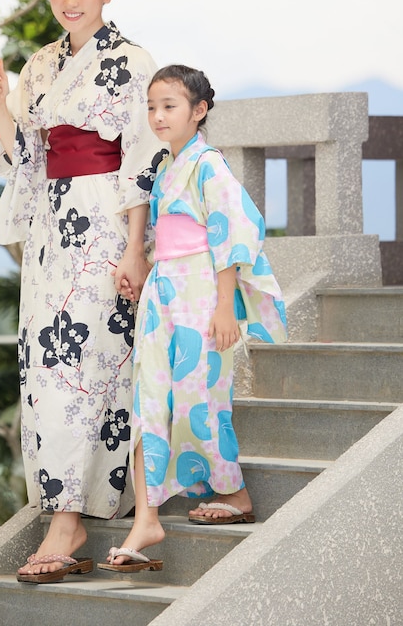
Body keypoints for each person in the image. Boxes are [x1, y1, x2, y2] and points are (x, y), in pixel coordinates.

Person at [0, 0, 164, 585]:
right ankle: (64, 508)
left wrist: (136, 246)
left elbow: (144, 155)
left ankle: (73, 517)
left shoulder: (133, 62)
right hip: (51, 232)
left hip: (107, 226)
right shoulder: (36, 66)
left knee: (91, 364)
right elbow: (16, 160)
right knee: (46, 365)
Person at [99, 64, 288, 573]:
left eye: (170, 106)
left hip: (202, 295)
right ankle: (147, 519)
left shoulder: (209, 166)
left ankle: (235, 492)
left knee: (201, 399)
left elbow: (231, 233)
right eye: (152, 107)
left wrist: (226, 305)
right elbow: (166, 237)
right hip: (164, 294)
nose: (158, 116)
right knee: (148, 401)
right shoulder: (167, 168)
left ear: (199, 110)